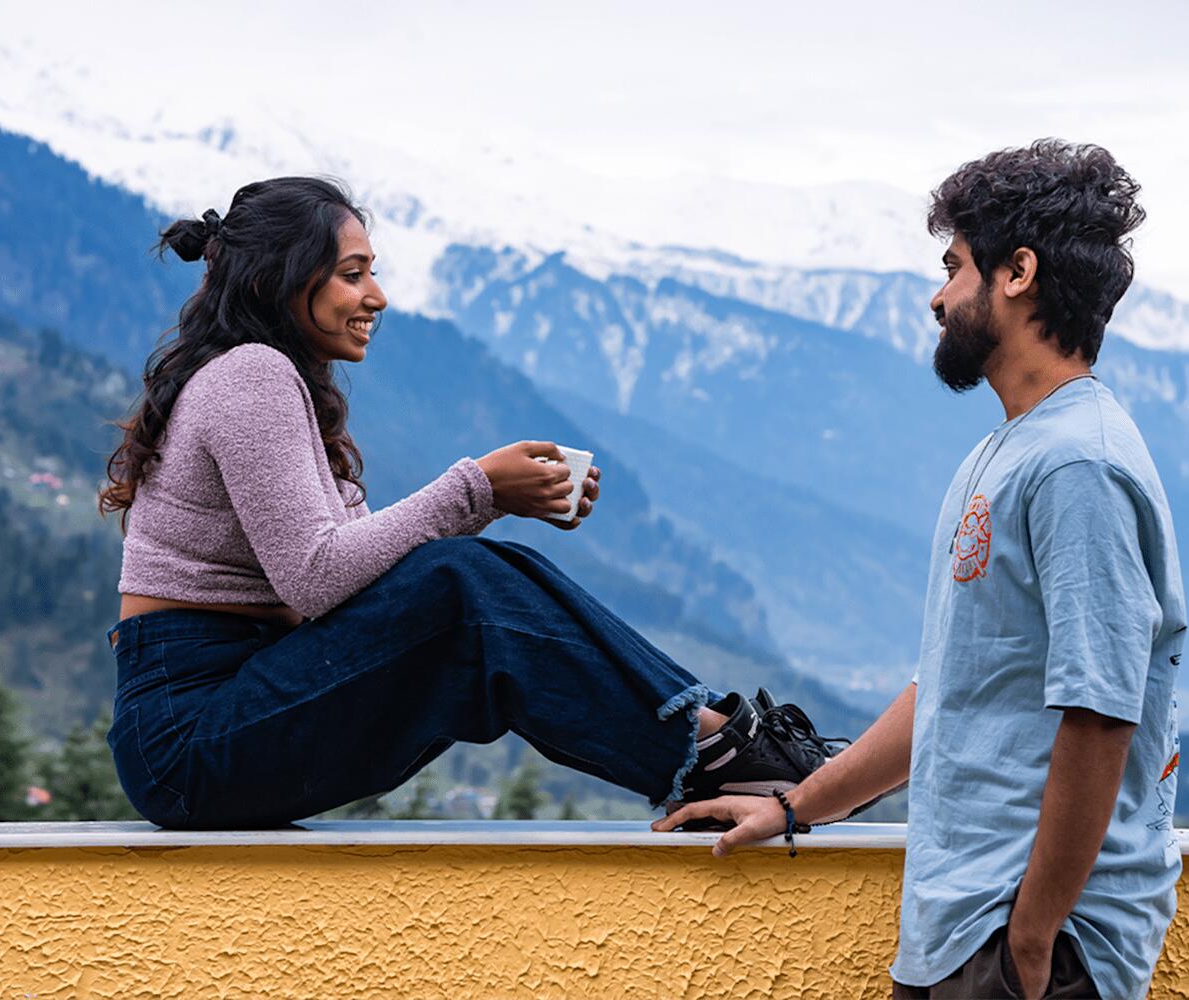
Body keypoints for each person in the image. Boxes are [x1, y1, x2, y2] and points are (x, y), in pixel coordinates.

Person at [97, 175, 838, 830]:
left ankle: (716, 744)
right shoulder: (250, 375)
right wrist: (478, 487)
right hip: (188, 732)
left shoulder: (270, 382)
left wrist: (496, 502)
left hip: (226, 710)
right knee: (462, 584)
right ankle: (718, 751)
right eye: (353, 275)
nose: (377, 297)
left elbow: (361, 588)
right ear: (279, 281)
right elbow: (316, 579)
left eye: (372, 274)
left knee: (473, 576)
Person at [657, 140, 1186, 1000]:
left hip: (1029, 947)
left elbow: (1100, 714)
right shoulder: (1009, 452)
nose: (937, 297)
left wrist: (1031, 936)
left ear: (1017, 273)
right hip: (963, 934)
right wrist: (795, 807)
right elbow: (948, 685)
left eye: (954, 267)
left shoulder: (1077, 466)